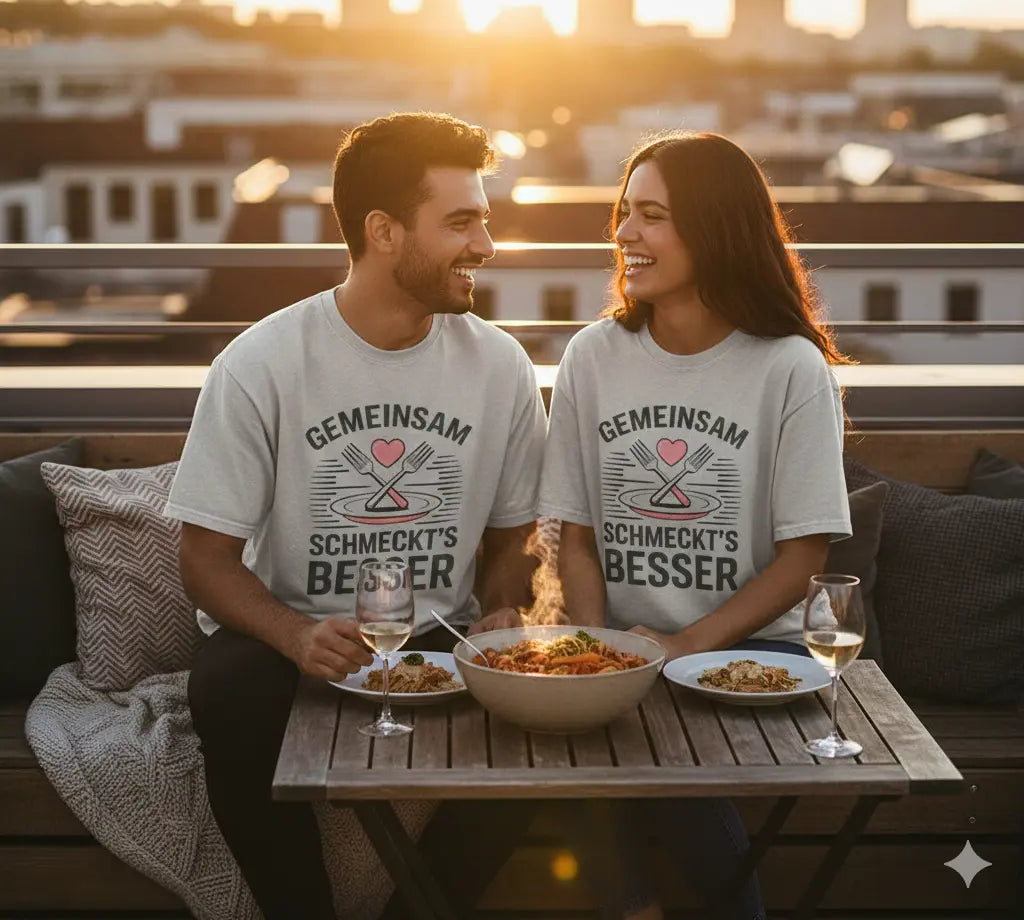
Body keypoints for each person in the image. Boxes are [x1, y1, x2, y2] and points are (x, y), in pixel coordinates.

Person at [165, 112, 546, 919]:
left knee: (542, 719)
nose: (486, 246)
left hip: (440, 643)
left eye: (483, 218)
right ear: (382, 231)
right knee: (226, 689)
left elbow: (516, 533)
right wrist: (295, 636)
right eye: (461, 222)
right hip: (297, 644)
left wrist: (506, 607)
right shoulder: (262, 363)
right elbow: (204, 560)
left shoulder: (501, 365)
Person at [539, 131, 853, 920]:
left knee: (652, 752)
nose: (624, 234)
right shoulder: (591, 357)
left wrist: (681, 648)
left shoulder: (789, 367)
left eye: (651, 215)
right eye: (623, 212)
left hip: (751, 651)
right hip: (628, 648)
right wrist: (597, 651)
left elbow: (801, 559)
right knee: (586, 738)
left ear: (714, 229)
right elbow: (575, 536)